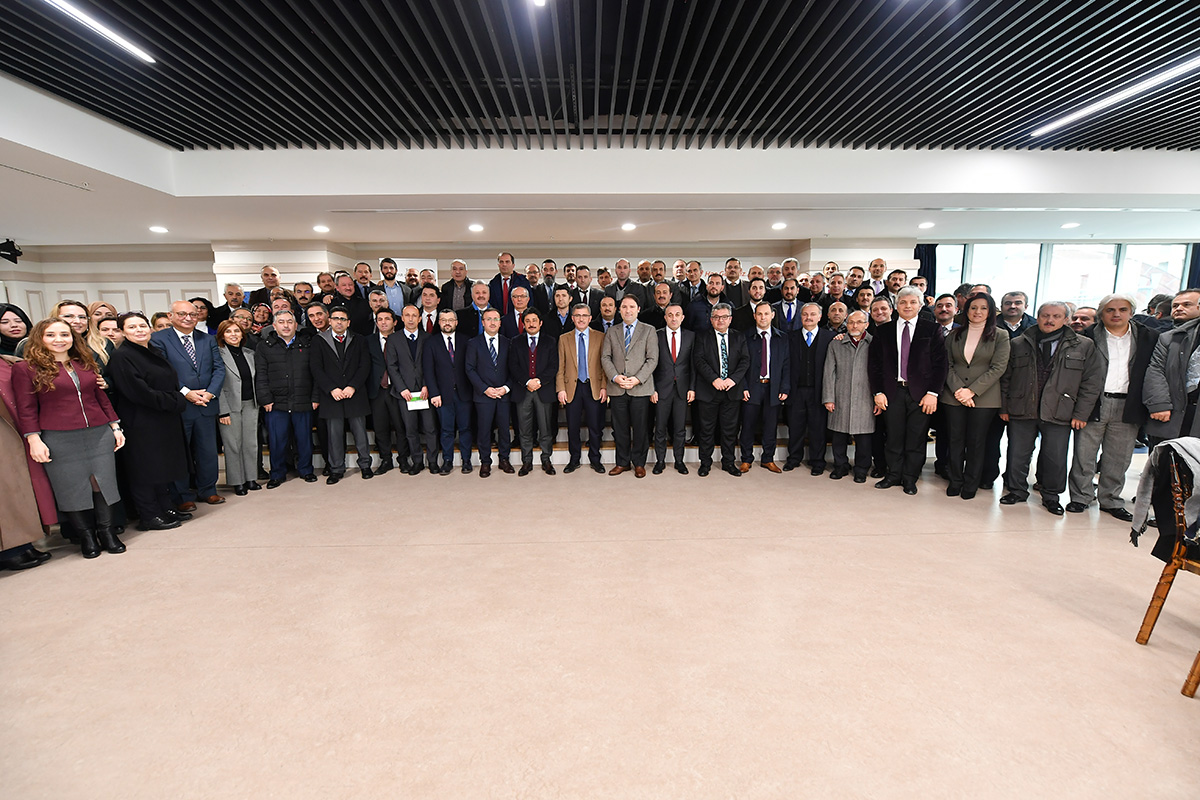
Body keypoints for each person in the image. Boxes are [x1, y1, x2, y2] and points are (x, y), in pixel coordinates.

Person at [12, 319, 126, 558]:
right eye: (51, 335)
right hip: (58, 437)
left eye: (65, 334)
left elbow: (100, 398)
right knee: (71, 489)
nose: (59, 339)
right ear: (39, 339)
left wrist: (115, 427)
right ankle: (86, 537)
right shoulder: (26, 368)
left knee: (102, 484)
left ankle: (107, 533)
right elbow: (26, 408)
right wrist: (33, 439)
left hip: (97, 433)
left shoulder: (84, 363)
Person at [999, 302, 1103, 515]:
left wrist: (1081, 413)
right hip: (1022, 407)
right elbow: (1006, 378)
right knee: (1017, 453)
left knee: (1054, 457)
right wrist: (1004, 406)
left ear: (1066, 319)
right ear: (1037, 317)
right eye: (1045, 315)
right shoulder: (1019, 343)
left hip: (1060, 410)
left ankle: (1051, 496)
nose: (1050, 320)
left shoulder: (1083, 345)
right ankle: (1016, 490)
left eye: (1056, 316)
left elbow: (1091, 383)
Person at [1068, 293, 1158, 521]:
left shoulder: (1148, 337)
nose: (1116, 314)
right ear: (1101, 314)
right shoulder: (1086, 336)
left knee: (1119, 456)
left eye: (1122, 309)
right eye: (1110, 310)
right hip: (1093, 402)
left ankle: (1111, 499)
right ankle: (1081, 497)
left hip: (1128, 403)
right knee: (1084, 454)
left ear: (1131, 312)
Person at [107, 312, 190, 530]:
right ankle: (149, 515)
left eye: (142, 326)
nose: (139, 330)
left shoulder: (152, 351)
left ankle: (165, 506)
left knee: (161, 466)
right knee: (144, 469)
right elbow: (139, 392)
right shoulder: (122, 356)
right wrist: (177, 400)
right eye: (132, 327)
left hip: (162, 417)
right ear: (123, 332)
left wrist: (173, 399)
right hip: (141, 420)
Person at [869, 287, 948, 495]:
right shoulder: (883, 330)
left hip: (921, 395)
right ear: (896, 306)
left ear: (920, 305)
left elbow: (941, 365)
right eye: (903, 302)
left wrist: (933, 393)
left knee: (916, 438)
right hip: (892, 392)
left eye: (912, 302)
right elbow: (874, 365)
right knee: (893, 437)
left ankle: (910, 478)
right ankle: (893, 474)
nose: (907, 306)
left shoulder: (931, 329)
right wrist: (878, 392)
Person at [151, 300, 226, 509]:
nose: (188, 318)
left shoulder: (207, 339)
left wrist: (210, 393)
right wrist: (187, 393)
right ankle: (183, 496)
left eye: (192, 314)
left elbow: (219, 369)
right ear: (171, 315)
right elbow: (164, 371)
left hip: (206, 405)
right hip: (180, 406)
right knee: (180, 453)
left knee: (208, 451)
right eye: (182, 314)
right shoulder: (158, 339)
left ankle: (209, 490)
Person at [940, 293, 1010, 500]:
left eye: (983, 308)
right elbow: (947, 365)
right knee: (955, 440)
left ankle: (971, 482)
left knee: (977, 441)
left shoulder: (1000, 335)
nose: (978, 312)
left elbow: (998, 367)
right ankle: (955, 480)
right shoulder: (953, 335)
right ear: (966, 310)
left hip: (984, 398)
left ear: (990, 312)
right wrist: (959, 390)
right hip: (953, 396)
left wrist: (971, 391)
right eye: (973, 308)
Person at [0, 351, 55, 569]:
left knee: (20, 489)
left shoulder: (7, 360)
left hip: (16, 427)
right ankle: (10, 550)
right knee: (6, 492)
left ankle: (23, 544)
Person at [254, 310, 319, 488]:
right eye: (281, 322)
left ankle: (306, 470)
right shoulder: (264, 346)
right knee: (277, 441)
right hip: (276, 403)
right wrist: (265, 399)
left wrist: (315, 397)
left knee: (304, 439)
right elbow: (261, 375)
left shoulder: (307, 344)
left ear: (296, 325)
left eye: (290, 322)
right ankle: (277, 474)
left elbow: (316, 373)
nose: (286, 325)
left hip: (303, 400)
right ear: (274, 326)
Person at [311, 307, 373, 483]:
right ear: (329, 320)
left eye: (343, 319)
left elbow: (364, 365)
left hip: (355, 393)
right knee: (334, 435)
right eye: (336, 318)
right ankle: (336, 469)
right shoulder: (319, 340)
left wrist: (353, 386)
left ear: (348, 322)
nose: (339, 322)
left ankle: (365, 465)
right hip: (332, 395)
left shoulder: (359, 339)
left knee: (360, 433)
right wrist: (331, 388)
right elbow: (316, 368)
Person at [601, 295, 659, 478]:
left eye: (631, 307)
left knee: (641, 428)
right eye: (624, 307)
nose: (628, 310)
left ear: (638, 309)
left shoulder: (649, 331)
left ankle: (639, 463)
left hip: (639, 387)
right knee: (620, 428)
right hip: (618, 388)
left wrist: (637, 379)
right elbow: (605, 358)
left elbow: (652, 359)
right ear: (619, 310)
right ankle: (622, 462)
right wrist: (616, 377)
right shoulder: (612, 331)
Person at [693, 303, 749, 477]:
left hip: (732, 390)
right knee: (706, 429)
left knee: (729, 430)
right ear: (711, 320)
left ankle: (728, 463)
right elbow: (699, 360)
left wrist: (733, 380)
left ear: (730, 319)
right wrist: (714, 379)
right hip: (709, 390)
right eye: (716, 317)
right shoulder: (702, 337)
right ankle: (705, 463)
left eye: (724, 317)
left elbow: (745, 360)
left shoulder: (739, 337)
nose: (720, 320)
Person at [823, 310, 875, 482]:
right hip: (841, 395)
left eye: (859, 322)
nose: (854, 326)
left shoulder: (874, 344)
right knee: (839, 435)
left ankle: (861, 469)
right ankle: (840, 466)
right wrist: (829, 398)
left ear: (866, 324)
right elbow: (829, 372)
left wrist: (878, 397)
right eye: (851, 322)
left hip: (865, 397)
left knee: (864, 438)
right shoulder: (836, 344)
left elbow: (879, 373)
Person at [386, 305, 439, 474]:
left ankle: (432, 461)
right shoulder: (393, 339)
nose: (410, 319)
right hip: (406, 394)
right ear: (402, 318)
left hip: (424, 391)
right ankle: (417, 461)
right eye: (407, 315)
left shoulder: (428, 337)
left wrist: (426, 384)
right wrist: (402, 388)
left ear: (419, 318)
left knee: (430, 428)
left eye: (414, 315)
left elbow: (431, 365)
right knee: (410, 429)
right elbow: (392, 366)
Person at [1143, 288, 1200, 445]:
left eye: (1187, 304)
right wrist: (1159, 405)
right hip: (1172, 410)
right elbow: (1155, 370)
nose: (1179, 308)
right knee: (1163, 463)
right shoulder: (1167, 338)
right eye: (1175, 306)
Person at [556, 304, 607, 474]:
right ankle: (574, 459)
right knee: (573, 426)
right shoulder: (564, 338)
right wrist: (561, 389)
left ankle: (595, 459)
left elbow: (604, 365)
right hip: (572, 387)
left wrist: (604, 387)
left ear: (590, 318)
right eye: (577, 315)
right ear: (572, 318)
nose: (581, 319)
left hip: (593, 386)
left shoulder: (600, 337)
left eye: (584, 315)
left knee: (594, 426)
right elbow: (560, 367)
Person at [739, 302, 789, 472]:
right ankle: (746, 459)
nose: (763, 317)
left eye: (766, 314)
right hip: (751, 388)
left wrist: (784, 388)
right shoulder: (745, 337)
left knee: (770, 426)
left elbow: (786, 365)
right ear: (754, 316)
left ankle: (768, 459)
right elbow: (740, 365)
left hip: (773, 388)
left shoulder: (782, 338)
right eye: (759, 314)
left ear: (772, 315)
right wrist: (743, 386)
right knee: (748, 425)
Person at [508, 308, 559, 475]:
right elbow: (513, 365)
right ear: (523, 323)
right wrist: (527, 381)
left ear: (540, 323)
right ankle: (526, 461)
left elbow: (553, 366)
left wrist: (539, 381)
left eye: (534, 321)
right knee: (524, 429)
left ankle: (546, 460)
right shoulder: (515, 341)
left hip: (543, 390)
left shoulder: (550, 341)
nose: (531, 324)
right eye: (527, 321)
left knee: (545, 428)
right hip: (523, 390)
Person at [465, 308, 514, 477]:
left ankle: (504, 460)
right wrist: (485, 389)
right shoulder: (473, 343)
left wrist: (505, 388)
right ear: (483, 322)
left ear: (500, 323)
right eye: (488, 319)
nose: (492, 322)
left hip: (503, 394)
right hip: (483, 395)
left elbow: (513, 369)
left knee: (504, 430)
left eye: (495, 319)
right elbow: (469, 369)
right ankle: (485, 462)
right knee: (484, 430)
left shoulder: (508, 342)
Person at [424, 308, 474, 474]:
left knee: (465, 428)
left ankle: (466, 460)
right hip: (442, 395)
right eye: (443, 320)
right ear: (439, 323)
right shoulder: (431, 342)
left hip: (464, 393)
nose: (447, 323)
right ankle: (447, 461)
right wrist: (434, 393)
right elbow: (428, 371)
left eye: (450, 320)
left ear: (456, 322)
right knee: (446, 430)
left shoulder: (466, 341)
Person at [784, 303, 832, 474]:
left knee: (818, 428)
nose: (809, 317)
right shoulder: (790, 337)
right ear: (800, 316)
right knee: (795, 427)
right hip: (796, 390)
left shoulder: (831, 337)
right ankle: (793, 458)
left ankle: (818, 461)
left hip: (819, 391)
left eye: (813, 314)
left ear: (820, 317)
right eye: (805, 314)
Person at [214, 319, 261, 496]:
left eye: (236, 331)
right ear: (222, 336)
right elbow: (217, 385)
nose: (233, 335)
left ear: (242, 334)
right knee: (233, 444)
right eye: (228, 332)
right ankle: (237, 481)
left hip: (251, 403)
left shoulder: (250, 353)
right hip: (229, 405)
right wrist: (222, 410)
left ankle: (250, 478)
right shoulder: (217, 354)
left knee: (250, 443)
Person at [651, 303, 694, 474]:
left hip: (682, 389)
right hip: (661, 389)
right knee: (660, 427)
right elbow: (651, 364)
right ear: (665, 317)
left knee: (680, 428)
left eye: (677, 314)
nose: (674, 318)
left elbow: (693, 365)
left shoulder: (691, 336)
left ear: (682, 317)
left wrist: (692, 388)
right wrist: (652, 389)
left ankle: (679, 461)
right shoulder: (656, 335)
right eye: (670, 315)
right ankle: (660, 461)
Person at [489, 252, 532, 318]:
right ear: (498, 265)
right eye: (501, 262)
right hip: (498, 319)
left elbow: (530, 302)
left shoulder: (523, 281)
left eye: (507, 262)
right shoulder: (493, 283)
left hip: (519, 318)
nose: (504, 264)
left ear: (513, 265)